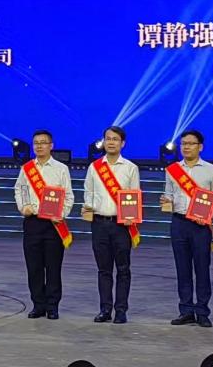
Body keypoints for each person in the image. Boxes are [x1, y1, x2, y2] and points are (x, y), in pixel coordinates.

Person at [161, 129, 213, 327]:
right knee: (182, 268)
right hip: (179, 222)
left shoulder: (211, 170)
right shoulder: (172, 170)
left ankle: (202, 311)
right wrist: (166, 200)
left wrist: (208, 216)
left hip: (200, 226)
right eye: (183, 144)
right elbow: (169, 194)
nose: (186, 147)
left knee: (202, 268)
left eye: (190, 144)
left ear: (200, 147)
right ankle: (186, 310)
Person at [83, 125, 140, 323]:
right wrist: (88, 207)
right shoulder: (94, 167)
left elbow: (134, 195)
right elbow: (88, 193)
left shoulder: (130, 168)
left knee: (123, 269)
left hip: (121, 226)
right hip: (99, 224)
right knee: (104, 270)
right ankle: (105, 309)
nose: (111, 142)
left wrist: (132, 215)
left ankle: (121, 310)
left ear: (122, 143)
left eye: (115, 139)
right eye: (108, 138)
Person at [14, 129, 74, 320]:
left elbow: (69, 196)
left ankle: (52, 306)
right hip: (32, 222)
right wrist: (23, 207)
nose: (39, 146)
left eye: (43, 143)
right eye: (36, 143)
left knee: (53, 267)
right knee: (34, 267)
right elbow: (20, 190)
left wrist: (61, 214)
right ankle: (38, 304)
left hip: (53, 225)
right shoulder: (27, 169)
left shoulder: (60, 169)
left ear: (51, 146)